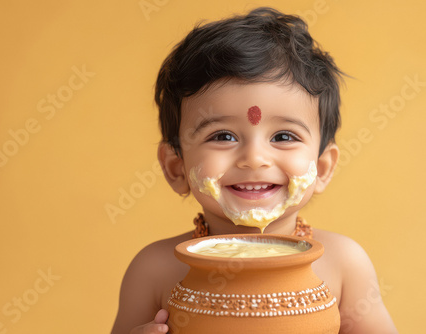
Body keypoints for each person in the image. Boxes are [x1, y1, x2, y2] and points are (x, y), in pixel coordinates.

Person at [112, 7, 397, 334]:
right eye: (222, 136)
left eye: (284, 136)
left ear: (321, 168)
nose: (254, 158)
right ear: (176, 168)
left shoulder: (344, 264)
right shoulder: (154, 269)